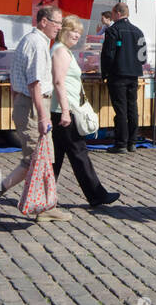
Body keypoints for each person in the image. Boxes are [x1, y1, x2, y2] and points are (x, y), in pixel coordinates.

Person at [0, 5, 66, 222]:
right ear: (43, 21)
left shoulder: (32, 41)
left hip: (27, 104)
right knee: (34, 159)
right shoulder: (36, 43)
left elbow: (16, 80)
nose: (59, 27)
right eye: (57, 23)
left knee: (43, 158)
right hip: (34, 107)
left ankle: (45, 206)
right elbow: (34, 83)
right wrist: (42, 116)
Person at [50, 15, 119, 207]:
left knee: (57, 157)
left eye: (79, 32)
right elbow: (58, 82)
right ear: (64, 30)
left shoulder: (63, 51)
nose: (77, 35)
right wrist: (65, 111)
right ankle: (97, 195)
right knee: (78, 153)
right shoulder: (60, 51)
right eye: (74, 31)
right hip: (65, 110)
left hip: (63, 109)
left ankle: (43, 195)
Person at [100, 3, 147, 153]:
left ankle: (121, 143)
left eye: (113, 13)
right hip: (133, 75)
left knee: (121, 109)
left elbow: (108, 54)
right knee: (132, 107)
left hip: (117, 75)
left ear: (118, 13)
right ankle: (132, 142)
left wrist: (105, 72)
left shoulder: (113, 30)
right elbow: (143, 57)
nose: (112, 16)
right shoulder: (138, 31)